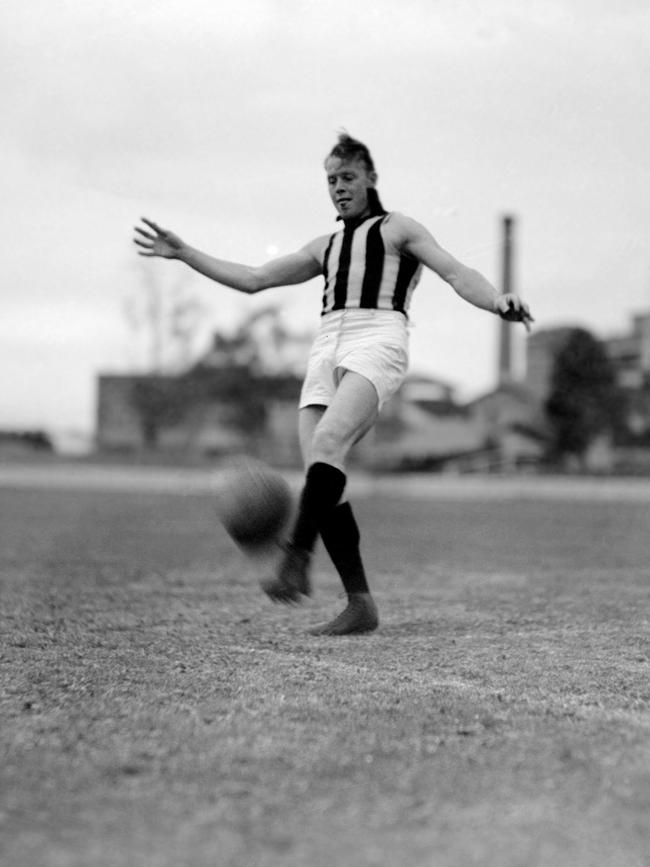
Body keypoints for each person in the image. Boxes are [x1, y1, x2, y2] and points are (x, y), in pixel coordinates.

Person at [134, 132, 533, 636]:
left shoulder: (397, 228)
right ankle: (360, 604)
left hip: (378, 336)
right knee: (323, 471)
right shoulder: (324, 246)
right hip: (327, 346)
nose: (338, 188)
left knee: (327, 444)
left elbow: (456, 272)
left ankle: (296, 555)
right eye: (330, 180)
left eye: (347, 177)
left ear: (370, 178)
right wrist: (185, 252)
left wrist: (497, 300)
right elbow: (255, 278)